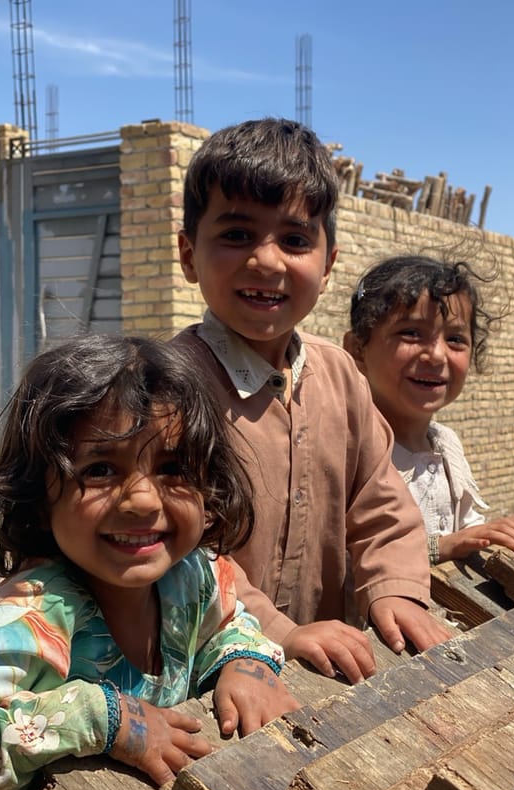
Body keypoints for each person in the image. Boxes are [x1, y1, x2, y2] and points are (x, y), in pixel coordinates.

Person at [172, 117, 452, 687]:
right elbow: (182, 550)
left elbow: (380, 501)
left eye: (295, 240)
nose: (268, 261)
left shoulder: (339, 376)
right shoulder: (170, 390)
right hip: (207, 672)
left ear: (327, 267)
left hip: (326, 670)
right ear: (188, 255)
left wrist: (393, 588)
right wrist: (279, 631)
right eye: (236, 234)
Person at [0, 334, 300, 790]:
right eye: (100, 469)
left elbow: (226, 627)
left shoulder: (192, 577)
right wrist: (98, 717)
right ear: (40, 499)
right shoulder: (29, 619)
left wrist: (246, 661)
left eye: (173, 467)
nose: (142, 500)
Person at [343, 254, 514, 565]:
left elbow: (464, 533)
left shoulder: (446, 444)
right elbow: (341, 556)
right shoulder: (350, 452)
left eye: (456, 339)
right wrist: (439, 548)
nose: (436, 355)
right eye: (411, 333)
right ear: (357, 350)